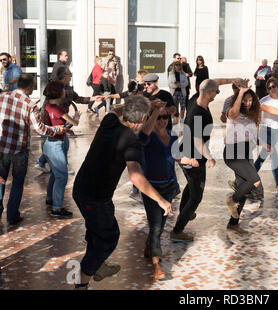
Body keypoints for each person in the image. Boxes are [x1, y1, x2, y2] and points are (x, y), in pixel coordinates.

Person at [72, 96, 172, 290]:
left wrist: (146, 106)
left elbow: (118, 109)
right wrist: (160, 200)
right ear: (143, 118)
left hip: (84, 189)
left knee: (99, 231)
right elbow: (135, 177)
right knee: (108, 238)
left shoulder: (109, 121)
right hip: (94, 197)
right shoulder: (131, 141)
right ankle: (83, 281)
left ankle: (97, 265)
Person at [173, 77, 248, 242]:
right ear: (208, 94)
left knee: (191, 188)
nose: (218, 93)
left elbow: (211, 81)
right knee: (196, 196)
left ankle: (185, 213)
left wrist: (232, 80)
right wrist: (210, 158)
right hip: (193, 157)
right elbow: (197, 140)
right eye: (216, 92)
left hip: (188, 153)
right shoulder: (197, 113)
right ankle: (178, 229)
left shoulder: (196, 98)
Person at [139, 102, 197, 280]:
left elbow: (176, 157)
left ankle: (149, 245)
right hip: (151, 188)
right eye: (158, 117)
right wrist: (155, 111)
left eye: (165, 117)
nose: (162, 120)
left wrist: (189, 160)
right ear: (151, 118)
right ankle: (157, 264)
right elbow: (141, 136)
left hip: (168, 186)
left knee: (160, 225)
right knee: (156, 226)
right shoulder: (147, 137)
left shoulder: (172, 137)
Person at [0, 74, 65, 225]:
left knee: (1, 180)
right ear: (29, 87)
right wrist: (56, 129)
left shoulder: (2, 96)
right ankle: (12, 215)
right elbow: (39, 129)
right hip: (19, 150)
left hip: (2, 148)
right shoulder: (29, 104)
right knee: (17, 182)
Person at [34, 66, 102, 174]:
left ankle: (46, 163)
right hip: (55, 119)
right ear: (65, 75)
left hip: (62, 118)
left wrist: (93, 98)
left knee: (61, 143)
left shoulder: (68, 88)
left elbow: (78, 98)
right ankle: (60, 166)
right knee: (59, 143)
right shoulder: (55, 88)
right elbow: (47, 105)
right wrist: (46, 122)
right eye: (69, 73)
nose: (71, 75)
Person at [224, 86, 262, 234]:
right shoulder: (233, 112)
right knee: (254, 180)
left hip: (245, 153)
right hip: (233, 152)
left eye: (250, 100)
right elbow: (232, 114)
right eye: (244, 100)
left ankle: (233, 223)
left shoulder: (251, 115)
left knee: (244, 190)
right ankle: (232, 200)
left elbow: (251, 135)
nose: (247, 103)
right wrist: (240, 93)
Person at [41, 81, 80, 218]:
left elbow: (59, 125)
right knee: (61, 176)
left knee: (55, 174)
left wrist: (67, 130)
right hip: (55, 145)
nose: (65, 91)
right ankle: (57, 208)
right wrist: (76, 117)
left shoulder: (48, 106)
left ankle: (50, 199)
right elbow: (74, 123)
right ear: (58, 92)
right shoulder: (57, 108)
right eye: (63, 89)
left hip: (51, 143)